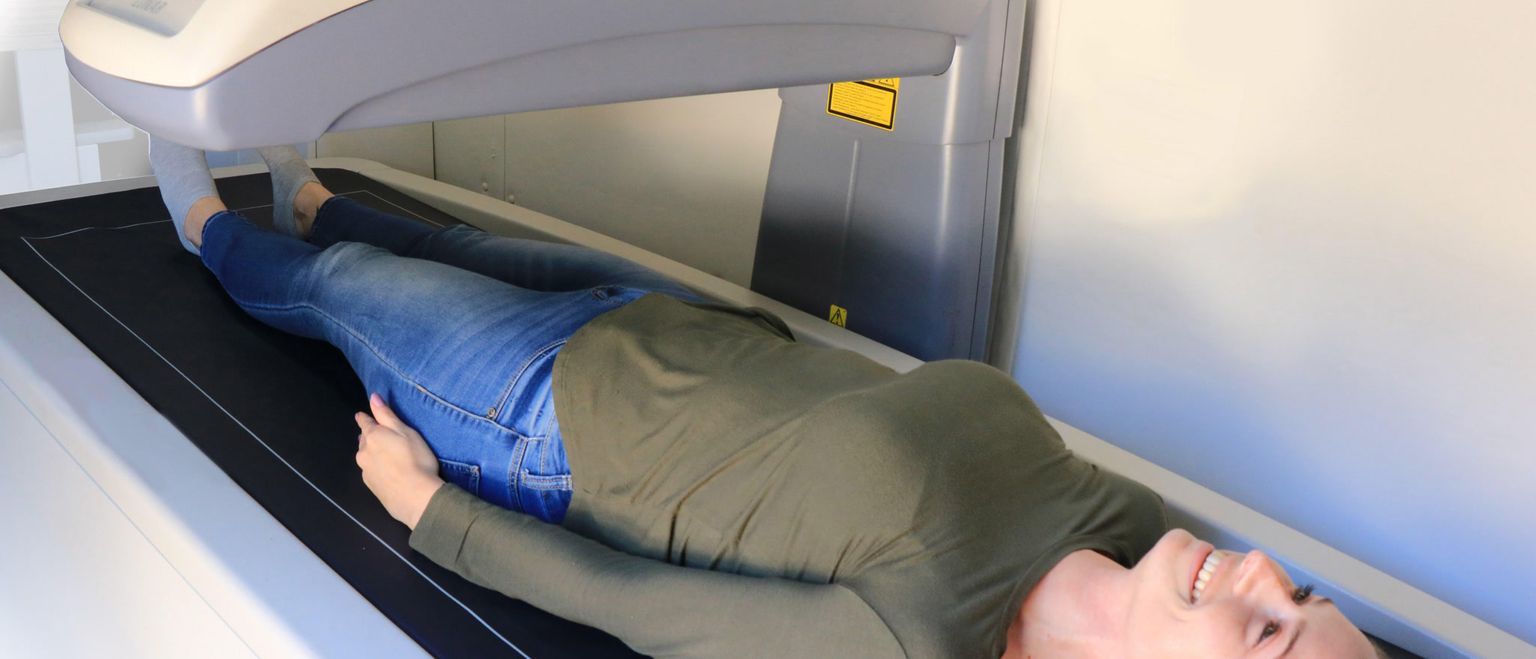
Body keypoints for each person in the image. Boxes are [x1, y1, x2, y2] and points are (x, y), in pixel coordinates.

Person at [148, 137, 1380, 658]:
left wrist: (433, 514)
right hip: (700, 337)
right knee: (455, 239)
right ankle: (313, 186)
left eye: (1268, 636)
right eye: (1303, 593)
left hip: (543, 420)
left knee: (350, 285)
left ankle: (201, 219)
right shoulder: (1127, 513)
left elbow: (656, 609)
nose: (1266, 573)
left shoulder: (915, 638)